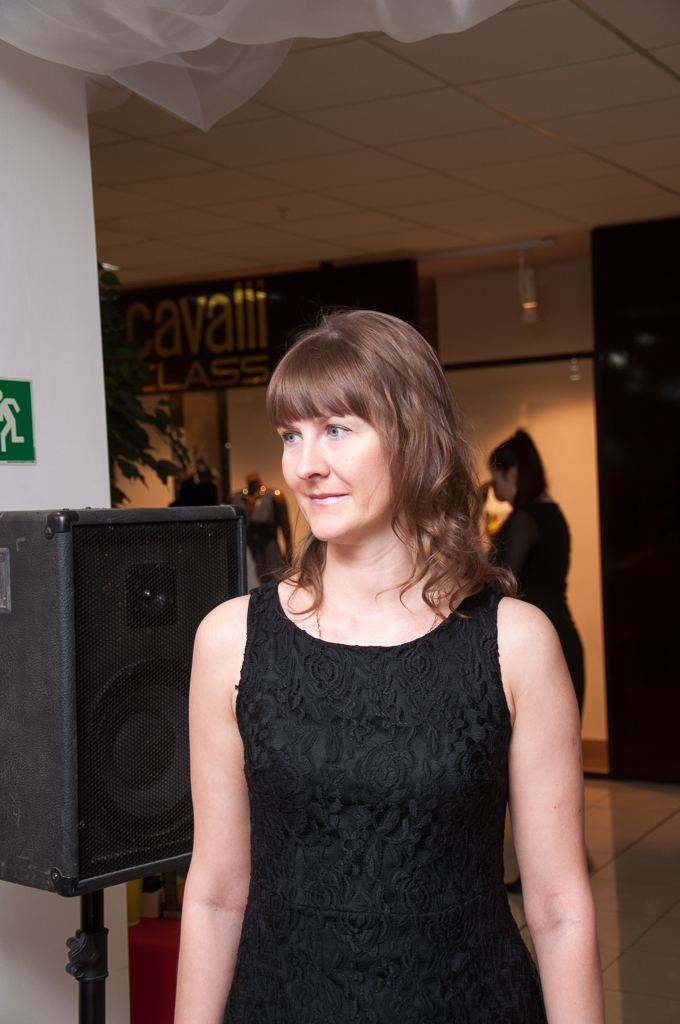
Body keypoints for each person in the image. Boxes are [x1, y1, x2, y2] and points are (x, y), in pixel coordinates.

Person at [175, 311, 603, 1024]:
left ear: (413, 437)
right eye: (291, 434)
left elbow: (559, 908)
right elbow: (216, 895)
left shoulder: (515, 643)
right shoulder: (231, 641)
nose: (304, 465)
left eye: (336, 429)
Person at [489, 431, 585, 714]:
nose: (494, 488)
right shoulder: (552, 513)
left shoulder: (524, 519)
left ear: (512, 473)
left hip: (540, 647)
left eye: (496, 478)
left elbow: (501, 585)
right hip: (562, 634)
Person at [231, 472, 292, 584]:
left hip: (269, 554)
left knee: (272, 588)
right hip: (245, 553)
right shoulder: (235, 498)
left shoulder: (275, 496)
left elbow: (287, 536)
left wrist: (288, 564)